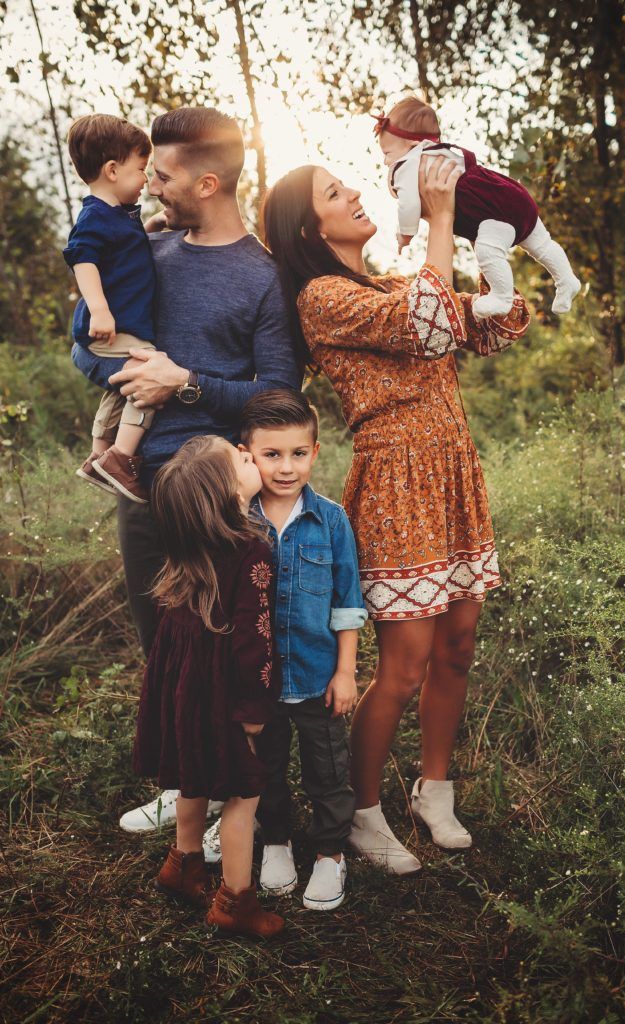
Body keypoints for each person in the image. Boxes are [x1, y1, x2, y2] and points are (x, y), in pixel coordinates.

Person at [261, 157, 530, 875]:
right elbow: (429, 321)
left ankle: (432, 790)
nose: (353, 193)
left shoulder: (388, 283)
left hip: (451, 475)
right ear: (307, 227)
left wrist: (486, 232)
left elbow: (491, 327)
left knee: (458, 646)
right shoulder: (320, 298)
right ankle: (361, 812)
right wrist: (438, 220)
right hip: (397, 484)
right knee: (403, 665)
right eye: (333, 193)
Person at [71, 107, 302, 831]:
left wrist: (187, 383)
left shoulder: (263, 278)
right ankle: (184, 791)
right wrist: (116, 365)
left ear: (205, 181)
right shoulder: (145, 248)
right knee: (161, 647)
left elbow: (281, 396)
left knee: (233, 657)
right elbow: (85, 346)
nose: (151, 188)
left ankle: (253, 808)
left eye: (162, 175)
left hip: (215, 493)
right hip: (138, 482)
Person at [201, 389, 367, 911]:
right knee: (264, 767)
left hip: (318, 675)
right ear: (247, 454)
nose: (287, 467)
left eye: (298, 453)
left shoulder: (332, 520)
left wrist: (346, 671)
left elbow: (347, 602)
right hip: (258, 682)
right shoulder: (233, 520)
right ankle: (276, 840)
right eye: (272, 455)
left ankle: (329, 853)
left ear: (316, 452)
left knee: (328, 769)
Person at [132, 434, 285, 938]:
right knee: (244, 796)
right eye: (240, 458)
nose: (249, 454)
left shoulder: (186, 554)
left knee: (191, 777)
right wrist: (255, 707)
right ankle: (235, 903)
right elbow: (255, 642)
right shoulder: (252, 551)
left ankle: (183, 863)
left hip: (184, 693)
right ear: (227, 493)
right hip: (227, 694)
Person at [375, 95, 581, 317]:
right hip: (511, 194)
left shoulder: (408, 163)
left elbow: (409, 204)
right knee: (543, 244)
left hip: (491, 212)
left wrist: (405, 234)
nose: (386, 161)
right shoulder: (444, 152)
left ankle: (502, 297)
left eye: (387, 153)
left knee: (487, 251)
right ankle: (567, 279)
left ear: (413, 144)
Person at [64, 114, 157, 503]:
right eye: (141, 170)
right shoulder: (94, 216)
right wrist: (100, 310)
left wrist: (153, 226)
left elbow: (124, 250)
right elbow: (82, 258)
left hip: (117, 327)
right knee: (148, 374)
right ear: (113, 170)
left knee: (121, 388)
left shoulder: (117, 216)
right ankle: (121, 458)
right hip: (108, 328)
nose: (146, 181)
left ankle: (99, 452)